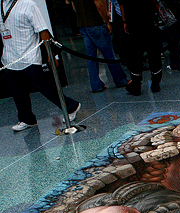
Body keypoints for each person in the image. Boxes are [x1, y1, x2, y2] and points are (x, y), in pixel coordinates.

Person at [0, 0, 81, 131]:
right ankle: (27, 119)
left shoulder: (29, 5)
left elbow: (43, 31)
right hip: (10, 58)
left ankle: (71, 106)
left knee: (44, 86)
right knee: (17, 91)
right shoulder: (0, 6)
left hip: (29, 55)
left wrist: (50, 54)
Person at [70, 0, 129, 92]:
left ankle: (96, 85)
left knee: (91, 57)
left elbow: (74, 6)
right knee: (109, 54)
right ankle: (120, 79)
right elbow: (99, 5)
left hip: (83, 25)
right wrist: (107, 22)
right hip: (95, 23)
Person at [118, 0, 163, 95]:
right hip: (150, 21)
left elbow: (122, 5)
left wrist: (124, 21)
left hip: (133, 23)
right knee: (154, 54)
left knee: (135, 56)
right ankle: (155, 83)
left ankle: (136, 85)